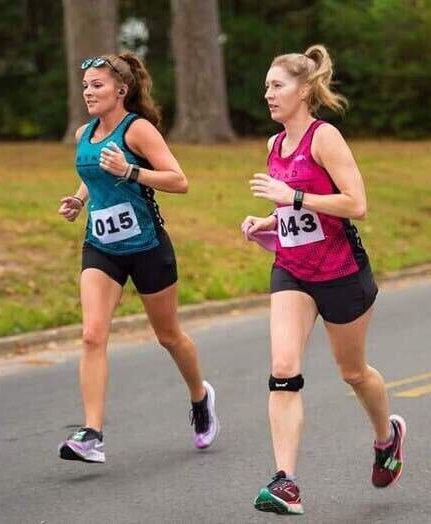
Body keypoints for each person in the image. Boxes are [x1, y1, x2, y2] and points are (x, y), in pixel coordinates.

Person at [242, 44, 406, 515]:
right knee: (283, 368)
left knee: (353, 372)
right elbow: (291, 211)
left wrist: (292, 197)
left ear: (305, 89)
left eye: (277, 86)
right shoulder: (274, 145)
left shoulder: (324, 137)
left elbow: (356, 204)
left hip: (341, 273)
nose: (267, 94)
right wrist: (266, 221)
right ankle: (285, 481)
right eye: (266, 87)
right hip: (293, 270)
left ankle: (386, 437)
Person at [57, 53, 219, 464]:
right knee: (93, 334)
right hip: (102, 247)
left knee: (169, 336)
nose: (89, 92)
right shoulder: (85, 133)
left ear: (121, 91)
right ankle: (92, 433)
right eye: (86, 85)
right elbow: (94, 171)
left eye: (98, 85)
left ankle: (200, 397)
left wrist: (131, 171)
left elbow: (179, 181)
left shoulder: (138, 130)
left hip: (147, 247)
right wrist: (79, 200)